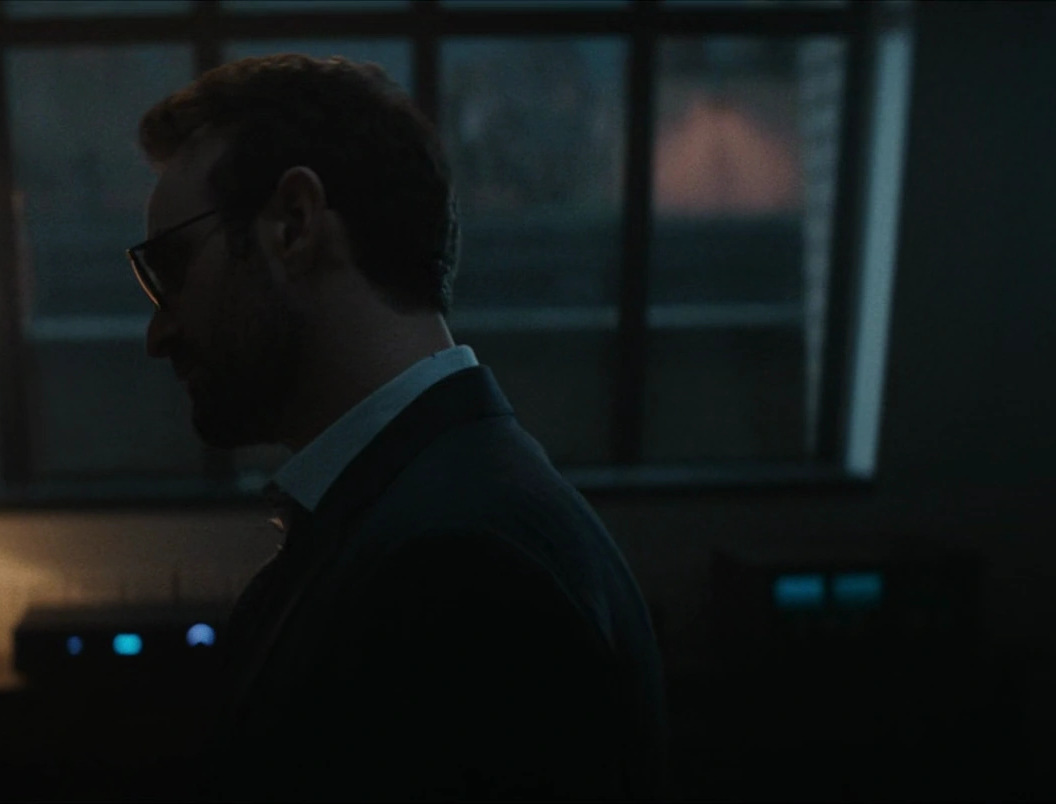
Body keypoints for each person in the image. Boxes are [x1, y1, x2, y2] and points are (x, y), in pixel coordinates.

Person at [131, 55, 667, 801]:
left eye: (169, 268)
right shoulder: (440, 511)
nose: (157, 333)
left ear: (295, 224)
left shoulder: (458, 567)